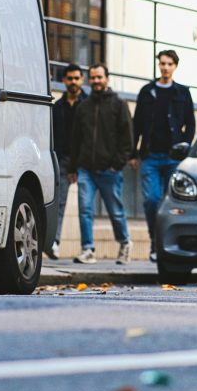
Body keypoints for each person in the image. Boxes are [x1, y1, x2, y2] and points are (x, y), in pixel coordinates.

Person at [65, 63, 134, 264]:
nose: (96, 81)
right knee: (85, 210)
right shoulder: (83, 107)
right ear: (89, 80)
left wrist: (117, 164)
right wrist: (73, 167)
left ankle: (125, 243)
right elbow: (75, 139)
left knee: (115, 211)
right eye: (93, 77)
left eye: (99, 77)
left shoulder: (118, 104)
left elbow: (127, 138)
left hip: (109, 170)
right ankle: (87, 249)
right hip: (86, 169)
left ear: (106, 79)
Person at [133, 49, 196, 261]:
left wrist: (185, 147)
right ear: (158, 65)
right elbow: (137, 124)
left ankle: (167, 245)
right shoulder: (146, 91)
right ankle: (154, 243)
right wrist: (133, 152)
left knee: (172, 203)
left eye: (169, 64)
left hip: (173, 158)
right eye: (162, 63)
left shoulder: (182, 92)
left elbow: (191, 123)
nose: (165, 67)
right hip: (150, 155)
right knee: (151, 200)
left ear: (175, 66)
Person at [46, 63, 87, 260]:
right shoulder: (57, 107)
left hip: (86, 160)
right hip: (62, 159)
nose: (73, 82)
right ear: (64, 81)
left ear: (82, 80)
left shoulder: (88, 105)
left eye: (76, 78)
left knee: (86, 206)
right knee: (59, 203)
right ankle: (54, 243)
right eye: (69, 78)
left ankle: (89, 248)